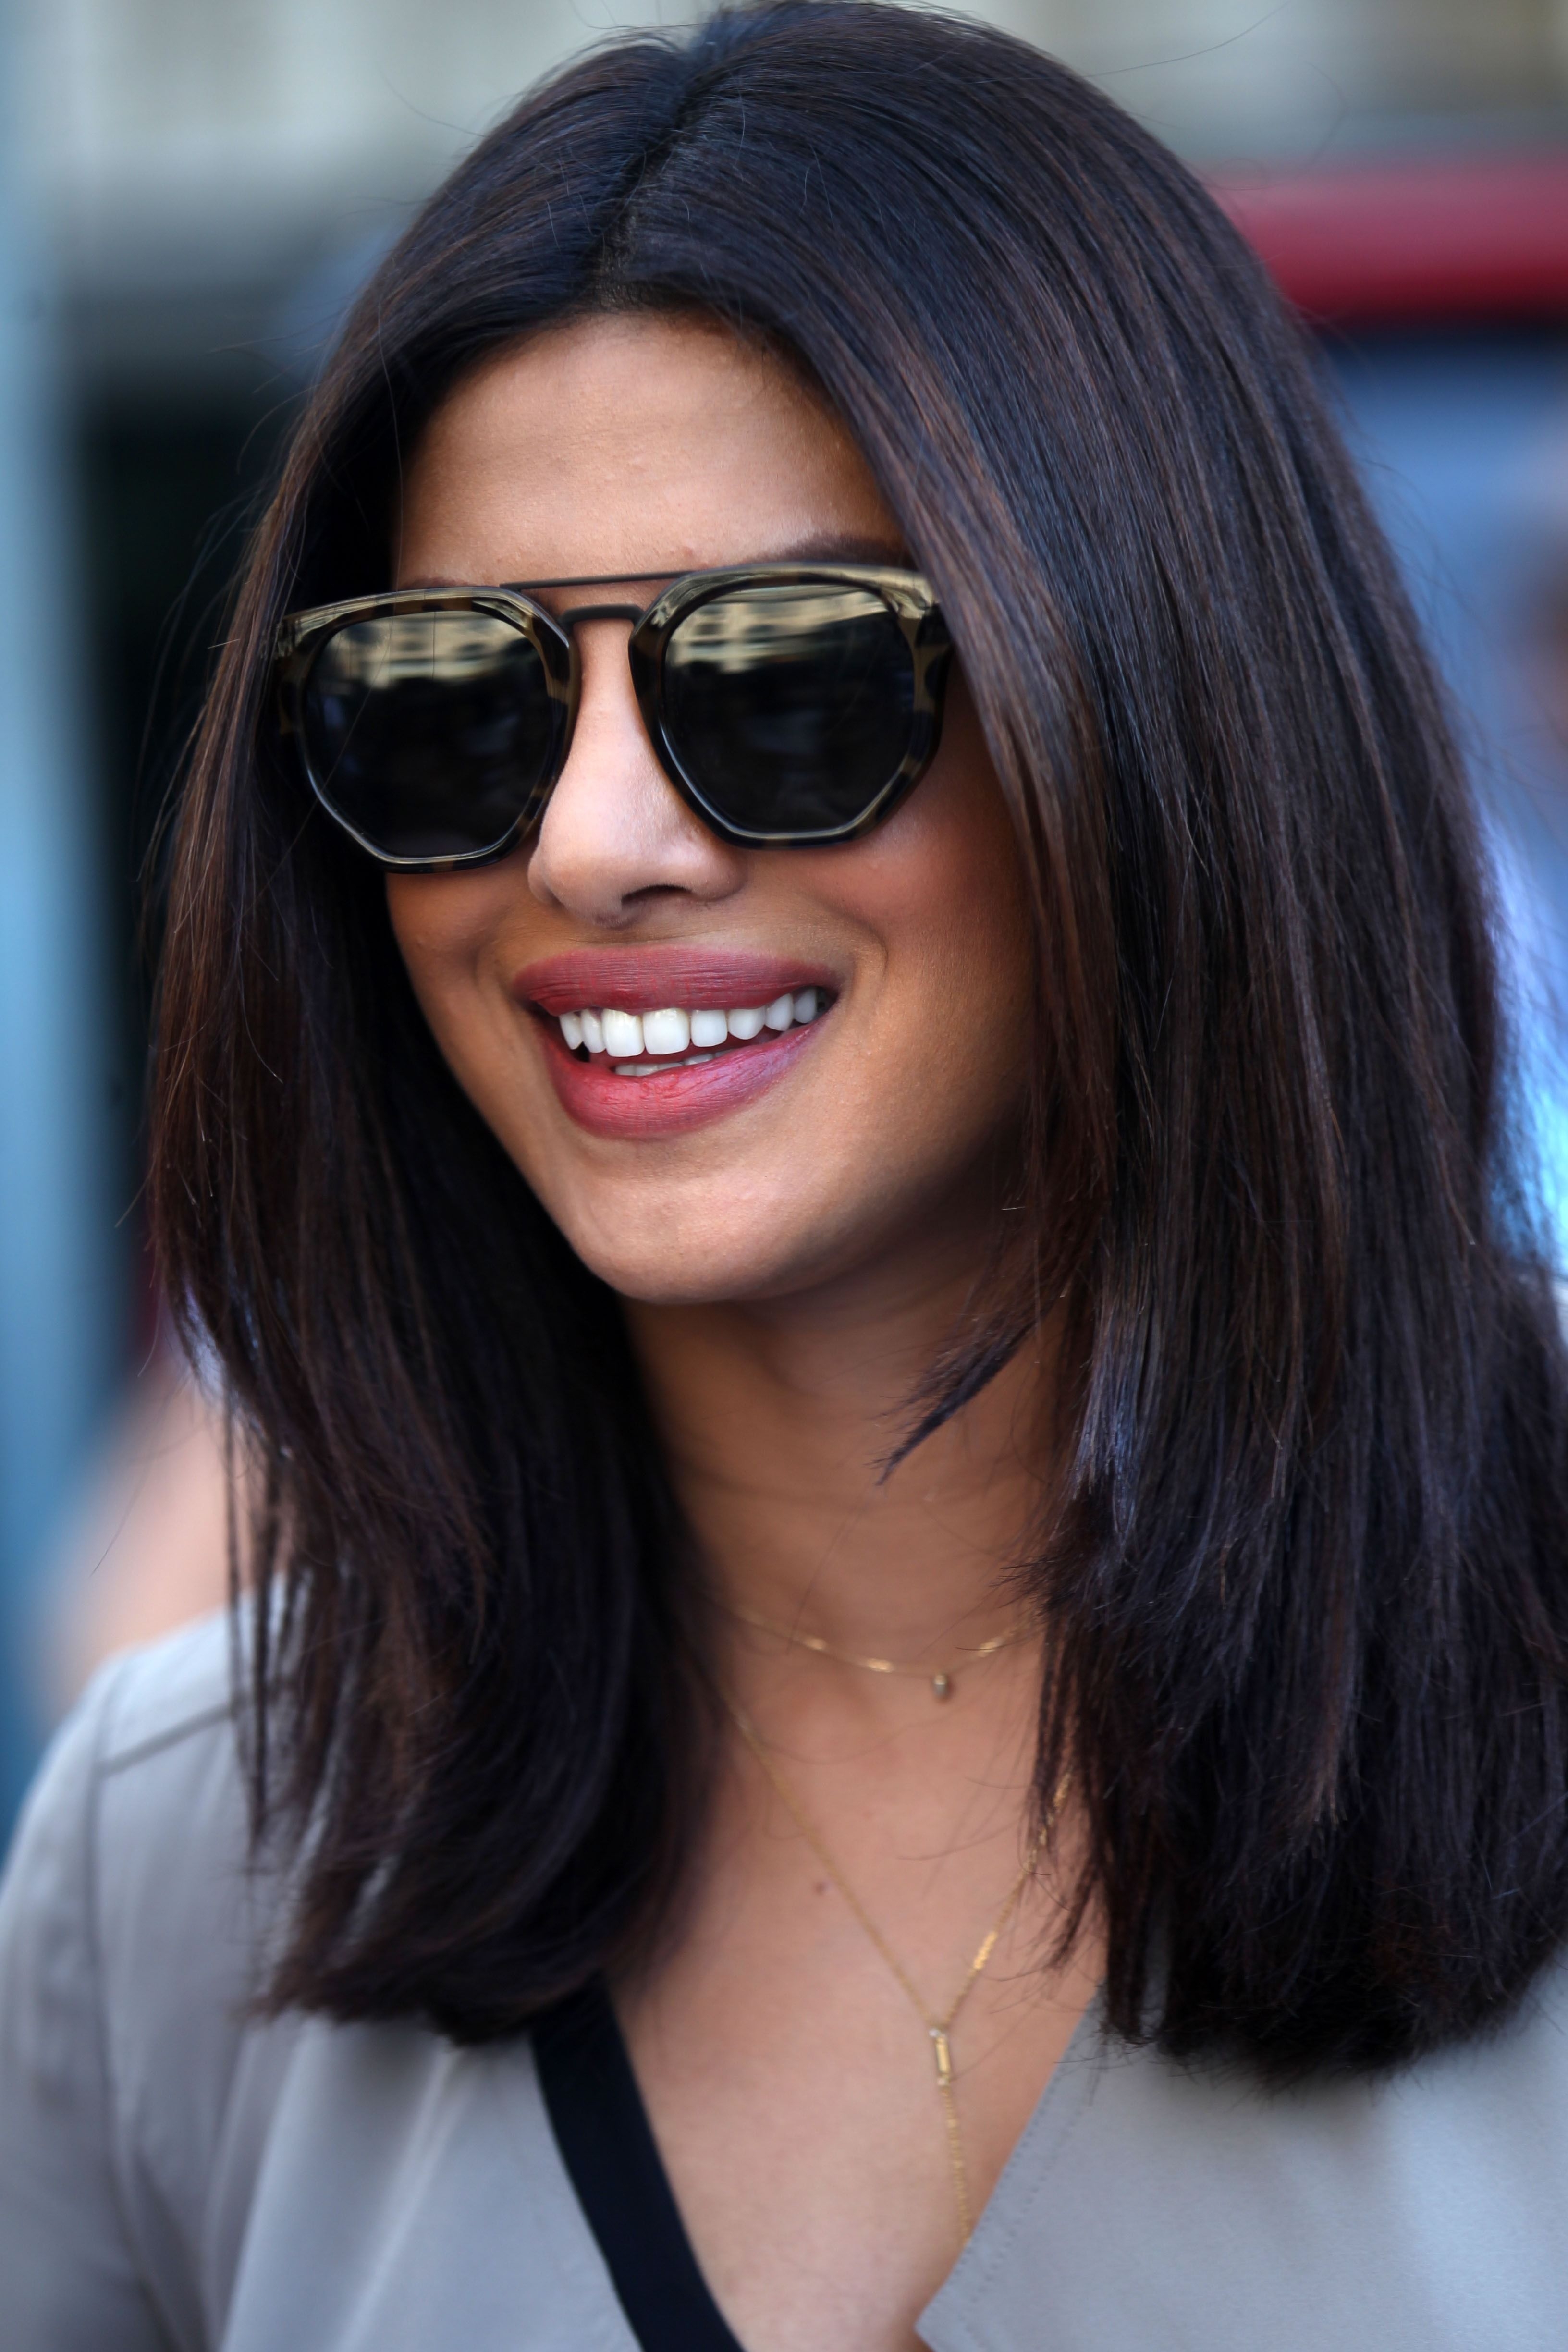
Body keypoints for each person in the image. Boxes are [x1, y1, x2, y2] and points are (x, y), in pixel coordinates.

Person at [5, 6, 1568, 2347]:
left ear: (1162, 708)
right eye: (449, 698)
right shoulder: (186, 1869)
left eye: (796, 678)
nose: (590, 842)